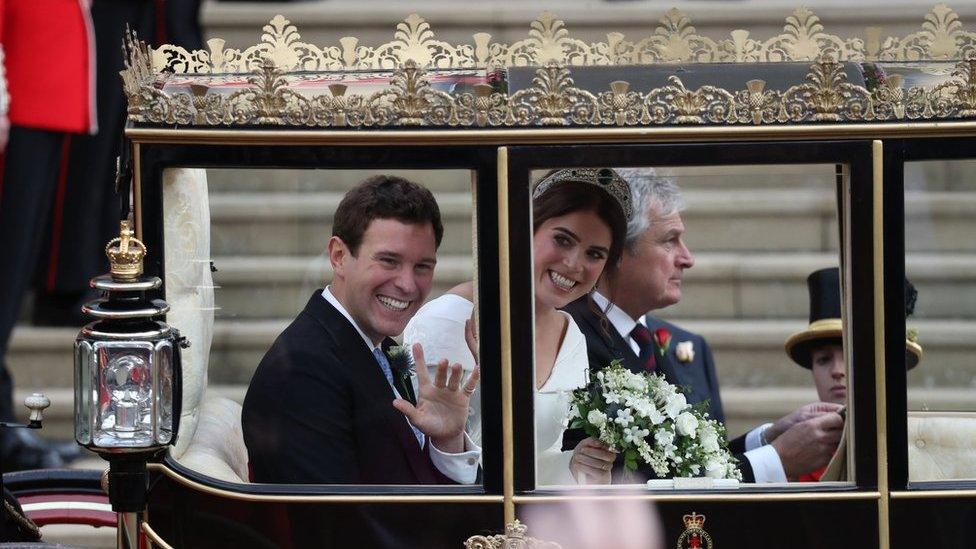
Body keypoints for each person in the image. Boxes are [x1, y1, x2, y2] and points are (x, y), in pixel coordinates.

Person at [565, 167, 844, 483]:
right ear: (615, 250)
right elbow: (634, 483)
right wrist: (777, 460)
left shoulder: (642, 337)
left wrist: (767, 438)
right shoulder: (571, 338)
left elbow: (688, 462)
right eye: (670, 241)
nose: (687, 258)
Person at [242, 175, 480, 485]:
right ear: (339, 256)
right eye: (388, 261)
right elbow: (341, 525)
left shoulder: (381, 349)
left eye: (422, 266)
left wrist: (447, 441)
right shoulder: (303, 370)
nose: (408, 284)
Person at [404, 167, 631, 485]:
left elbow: (540, 463)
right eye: (563, 240)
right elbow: (415, 457)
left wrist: (577, 465)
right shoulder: (449, 320)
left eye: (594, 254)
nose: (574, 264)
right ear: (524, 230)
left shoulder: (572, 337)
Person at [784, 266, 923, 481]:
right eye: (823, 359)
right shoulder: (790, 457)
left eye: (852, 357)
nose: (838, 371)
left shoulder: (917, 446)